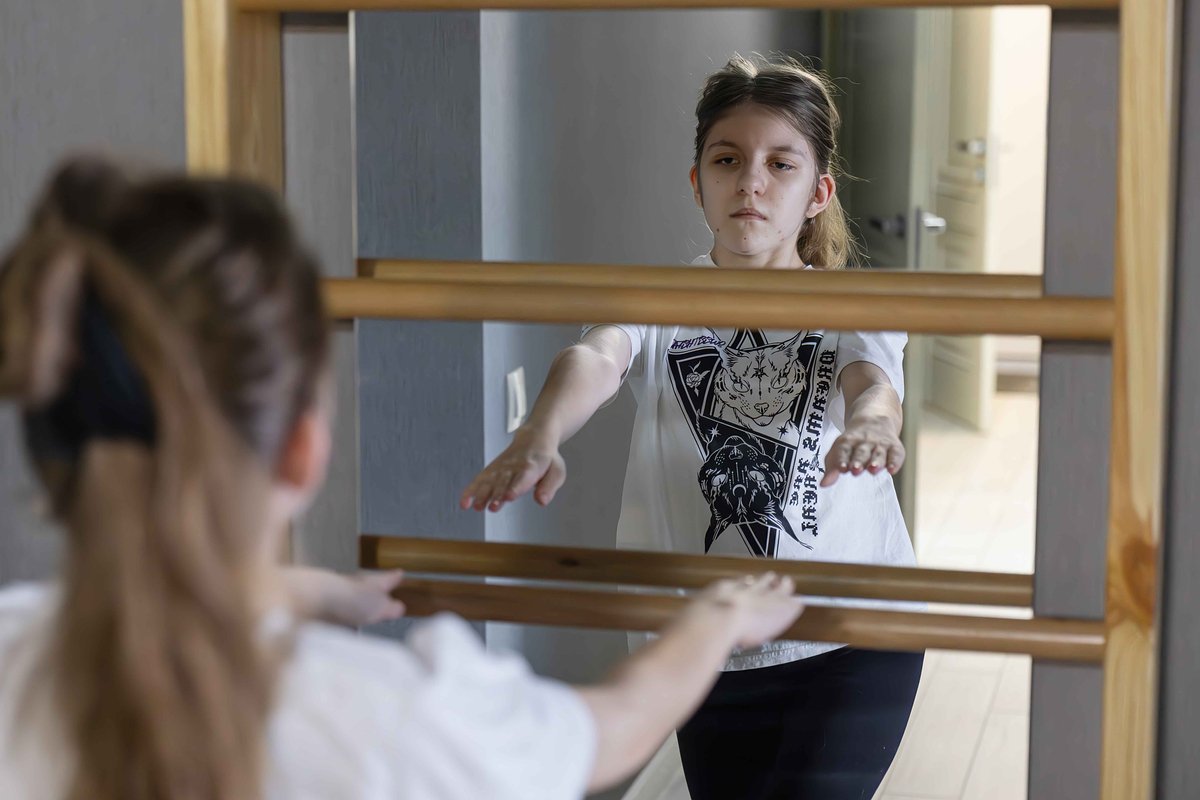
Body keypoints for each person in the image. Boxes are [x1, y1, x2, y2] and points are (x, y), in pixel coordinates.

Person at [0, 155, 803, 800]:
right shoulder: (399, 717)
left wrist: (306, 593)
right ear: (303, 450)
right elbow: (610, 727)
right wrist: (716, 620)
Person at [461, 54, 924, 799]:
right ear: (697, 181)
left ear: (818, 193)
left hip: (852, 637)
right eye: (727, 160)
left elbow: (872, 383)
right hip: (707, 645)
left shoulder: (853, 304)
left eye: (780, 164)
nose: (750, 182)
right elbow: (594, 358)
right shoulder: (659, 300)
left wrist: (873, 427)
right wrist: (539, 434)